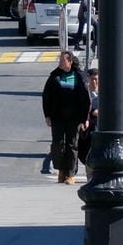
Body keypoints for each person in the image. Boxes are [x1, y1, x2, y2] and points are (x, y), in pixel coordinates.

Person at [40, 51, 92, 183]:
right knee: (57, 144)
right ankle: (61, 170)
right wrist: (47, 115)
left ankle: (70, 173)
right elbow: (46, 96)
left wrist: (85, 118)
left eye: (63, 60)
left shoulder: (79, 76)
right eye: (60, 60)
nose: (60, 62)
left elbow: (86, 99)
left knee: (72, 145)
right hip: (57, 116)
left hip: (74, 117)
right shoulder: (54, 76)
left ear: (70, 62)